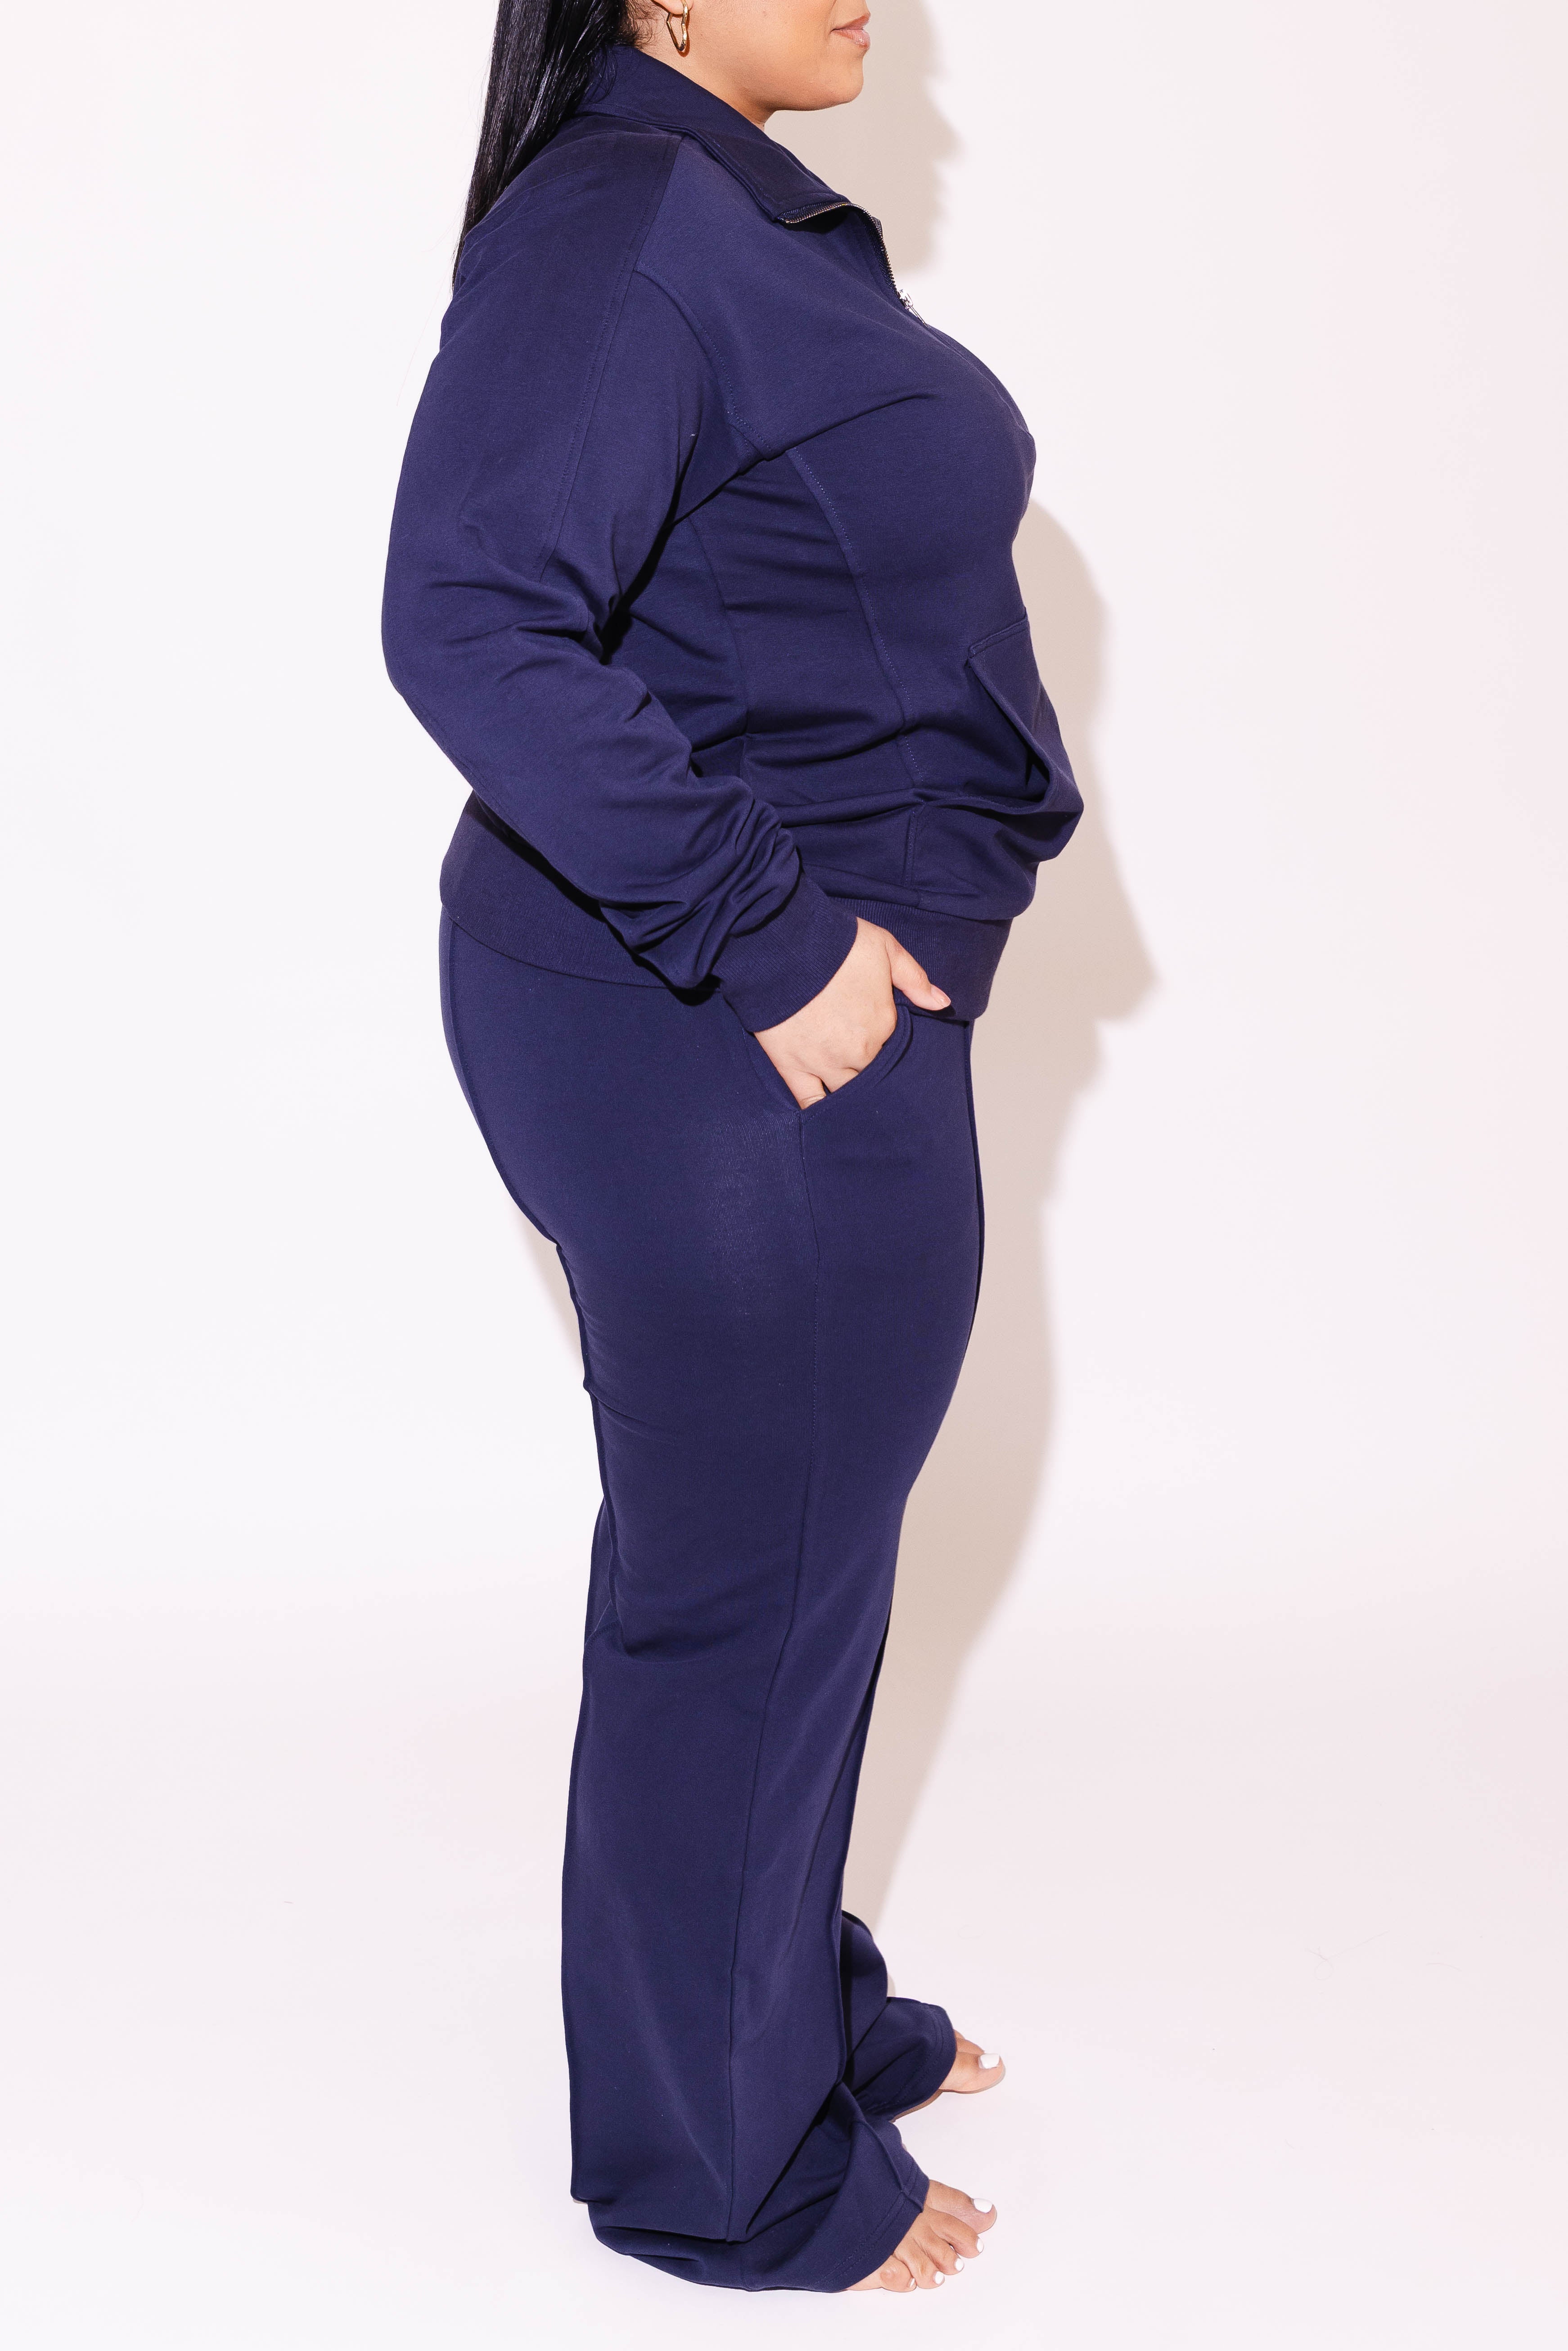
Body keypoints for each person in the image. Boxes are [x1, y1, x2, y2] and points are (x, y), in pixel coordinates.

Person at [383, 0, 1081, 2296]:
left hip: (757, 1001)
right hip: (703, 1015)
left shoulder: (719, 212)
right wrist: (775, 940)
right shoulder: (623, 220)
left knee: (796, 1542)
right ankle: (722, 2168)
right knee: (746, 1574)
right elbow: (467, 611)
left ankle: (771, 2012)